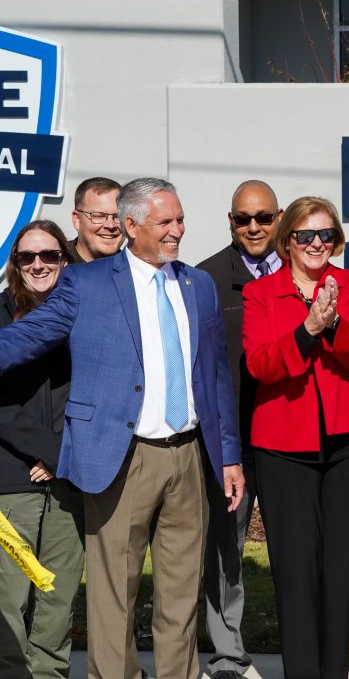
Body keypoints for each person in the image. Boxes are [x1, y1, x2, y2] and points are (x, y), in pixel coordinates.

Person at [0, 177, 245, 679]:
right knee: (115, 597)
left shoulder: (197, 285)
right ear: (131, 226)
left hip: (188, 456)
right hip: (119, 457)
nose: (177, 230)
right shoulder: (86, 283)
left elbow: (215, 377)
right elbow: (31, 334)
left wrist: (229, 456)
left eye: (179, 219)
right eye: (165, 222)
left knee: (180, 597)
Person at [242, 196, 349, 679]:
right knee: (295, 575)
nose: (316, 244)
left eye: (325, 235)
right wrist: (306, 329)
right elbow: (260, 365)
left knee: (340, 574)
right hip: (282, 448)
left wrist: (330, 321)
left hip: (344, 446)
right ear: (286, 241)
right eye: (304, 235)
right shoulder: (261, 294)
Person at [196, 179, 283, 679]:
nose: (253, 227)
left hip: (287, 439)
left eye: (263, 217)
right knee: (226, 550)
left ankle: (304, 648)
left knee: (294, 550)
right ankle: (228, 652)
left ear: (278, 218)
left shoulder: (299, 270)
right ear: (230, 222)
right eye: (242, 219)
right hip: (233, 444)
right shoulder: (207, 279)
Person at [0, 221, 82, 679]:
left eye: (49, 255)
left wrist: (61, 457)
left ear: (64, 260)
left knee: (57, 598)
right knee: (8, 599)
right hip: (11, 481)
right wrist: (46, 451)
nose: (38, 265)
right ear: (15, 264)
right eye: (27, 257)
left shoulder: (82, 318)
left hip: (68, 478)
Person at [69, 177, 123, 262]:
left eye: (118, 216)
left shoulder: (136, 270)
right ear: (77, 220)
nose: (111, 225)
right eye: (99, 216)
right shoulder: (52, 265)